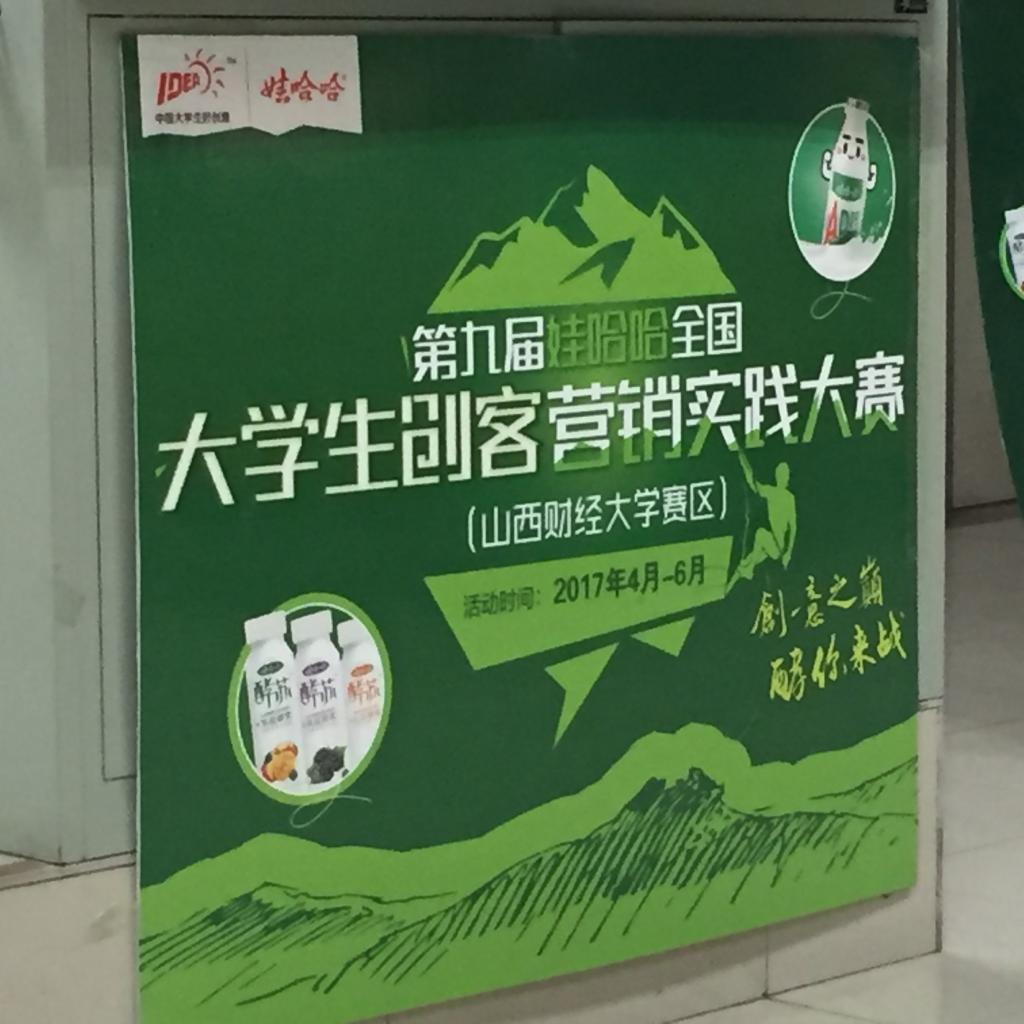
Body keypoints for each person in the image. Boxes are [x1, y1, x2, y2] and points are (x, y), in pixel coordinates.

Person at [730, 451, 797, 587]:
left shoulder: (789, 498)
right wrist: (743, 462)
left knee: (760, 534)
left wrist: (788, 553)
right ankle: (727, 590)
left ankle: (749, 569)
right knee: (746, 563)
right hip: (770, 544)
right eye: (779, 473)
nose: (781, 477)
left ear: (787, 477)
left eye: (784, 474)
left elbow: (793, 526)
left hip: (779, 547)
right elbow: (753, 483)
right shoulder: (771, 492)